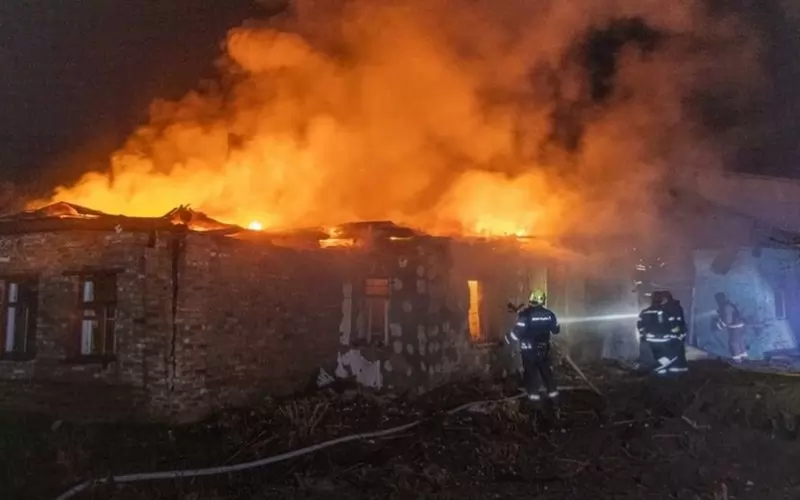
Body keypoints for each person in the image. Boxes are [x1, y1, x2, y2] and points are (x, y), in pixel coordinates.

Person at [505, 289, 561, 401]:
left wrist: (506, 339)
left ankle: (534, 401)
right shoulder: (549, 314)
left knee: (531, 375)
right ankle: (554, 399)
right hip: (544, 350)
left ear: (531, 300)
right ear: (542, 301)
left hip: (529, 350)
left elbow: (517, 333)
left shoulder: (525, 315)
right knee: (546, 373)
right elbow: (556, 330)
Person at [637, 290, 688, 376]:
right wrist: (678, 335)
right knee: (668, 356)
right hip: (664, 340)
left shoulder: (644, 312)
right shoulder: (665, 312)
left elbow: (640, 325)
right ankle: (662, 370)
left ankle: (658, 370)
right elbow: (674, 326)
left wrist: (645, 335)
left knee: (655, 357)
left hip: (649, 341)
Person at [714, 292, 747, 361]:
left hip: (735, 328)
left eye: (717, 300)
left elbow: (728, 320)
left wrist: (720, 326)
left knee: (733, 344)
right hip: (740, 327)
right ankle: (744, 359)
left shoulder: (726, 307)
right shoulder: (729, 305)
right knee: (740, 343)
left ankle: (737, 360)